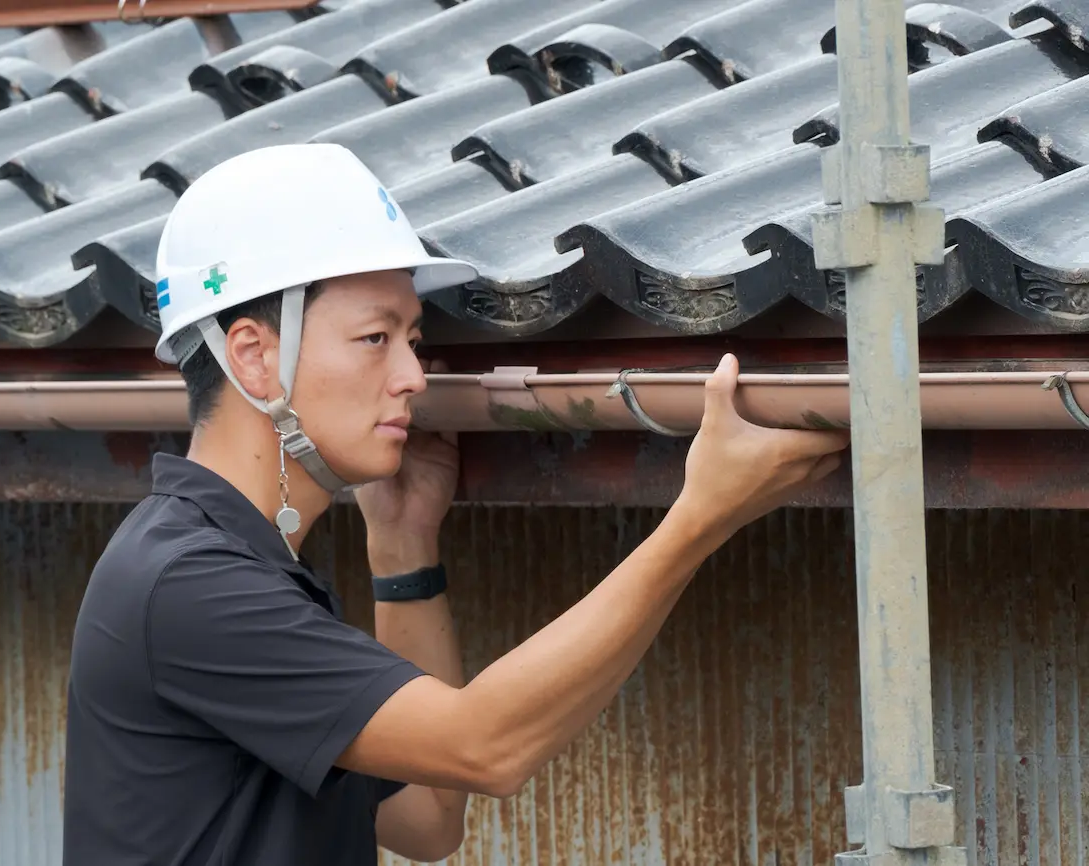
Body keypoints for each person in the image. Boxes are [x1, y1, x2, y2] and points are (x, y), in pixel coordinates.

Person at [61, 143, 848, 865]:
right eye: (376, 339)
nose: (413, 376)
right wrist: (700, 517)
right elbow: (486, 749)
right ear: (255, 357)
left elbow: (428, 818)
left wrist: (403, 553)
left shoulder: (235, 566)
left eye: (412, 338)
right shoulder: (192, 583)